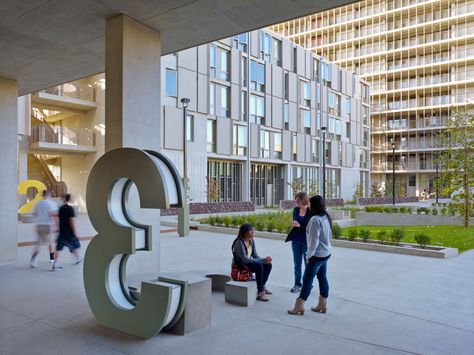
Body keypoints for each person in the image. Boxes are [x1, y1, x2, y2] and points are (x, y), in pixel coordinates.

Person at [288, 195, 332, 315]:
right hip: (326, 253)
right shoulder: (325, 217)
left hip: (317, 256)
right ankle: (322, 305)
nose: (309, 205)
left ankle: (299, 306)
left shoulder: (315, 220)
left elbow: (313, 242)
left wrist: (309, 256)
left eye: (311, 204)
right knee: (322, 278)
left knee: (307, 280)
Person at [232, 223, 273, 301]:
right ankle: (260, 293)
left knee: (268, 265)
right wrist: (261, 261)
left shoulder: (251, 241)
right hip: (241, 266)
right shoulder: (239, 242)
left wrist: (265, 260)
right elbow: (244, 259)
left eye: (252, 230)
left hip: (248, 264)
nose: (253, 232)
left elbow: (255, 255)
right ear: (245, 232)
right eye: (251, 231)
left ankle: (262, 287)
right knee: (259, 265)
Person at [52, 194, 82, 271]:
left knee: (58, 248)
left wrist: (58, 228)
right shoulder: (70, 209)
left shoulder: (61, 208)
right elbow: (71, 221)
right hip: (69, 233)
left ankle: (55, 264)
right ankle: (78, 259)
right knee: (74, 245)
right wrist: (74, 232)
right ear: (70, 199)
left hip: (62, 232)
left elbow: (57, 218)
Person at [289, 192, 312, 293]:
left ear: (303, 200)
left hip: (306, 242)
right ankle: (297, 284)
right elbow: (294, 222)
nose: (296, 202)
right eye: (295, 201)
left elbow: (311, 228)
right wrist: (294, 223)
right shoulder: (296, 210)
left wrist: (299, 226)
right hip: (295, 241)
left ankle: (308, 284)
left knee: (308, 264)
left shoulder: (311, 211)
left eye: (298, 200)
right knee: (297, 264)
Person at [30, 190, 58, 268]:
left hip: (39, 225)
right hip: (48, 226)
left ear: (43, 195)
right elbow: (53, 215)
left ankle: (32, 261)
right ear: (49, 195)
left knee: (37, 244)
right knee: (50, 243)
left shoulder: (38, 203)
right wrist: (56, 226)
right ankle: (52, 261)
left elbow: (35, 214)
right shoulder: (52, 203)